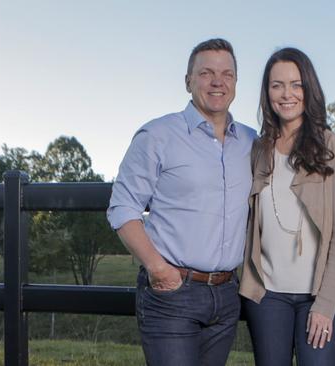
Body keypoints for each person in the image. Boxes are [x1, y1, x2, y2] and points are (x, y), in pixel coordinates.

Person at [106, 38, 257, 366]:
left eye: (227, 74)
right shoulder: (158, 135)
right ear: (188, 81)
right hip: (172, 294)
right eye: (206, 72)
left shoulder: (251, 141)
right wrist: (158, 268)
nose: (217, 81)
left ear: (235, 83)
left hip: (226, 296)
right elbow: (123, 208)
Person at [239, 47, 335, 366]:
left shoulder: (333, 147)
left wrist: (326, 303)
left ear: (309, 89)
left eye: (296, 84)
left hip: (318, 294)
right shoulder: (259, 150)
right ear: (267, 92)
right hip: (267, 296)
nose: (286, 93)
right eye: (277, 85)